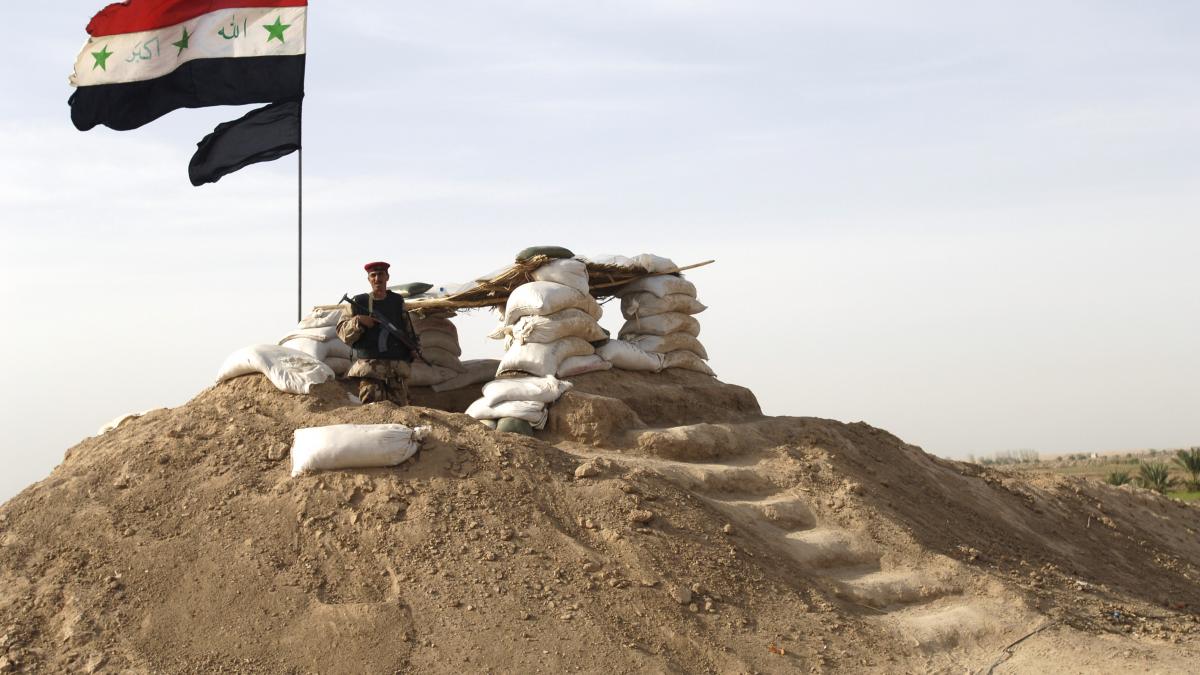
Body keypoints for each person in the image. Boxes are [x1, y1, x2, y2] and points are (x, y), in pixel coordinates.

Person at [336, 261, 421, 405]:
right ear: (368, 279)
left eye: (381, 274)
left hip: (396, 371)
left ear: (387, 277)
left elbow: (407, 328)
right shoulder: (359, 302)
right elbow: (341, 332)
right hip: (371, 371)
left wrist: (413, 347)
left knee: (401, 416)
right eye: (373, 275)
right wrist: (359, 320)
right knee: (373, 414)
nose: (377, 278)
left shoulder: (397, 301)